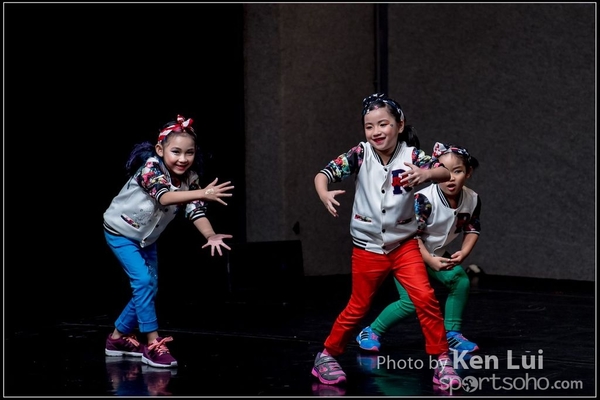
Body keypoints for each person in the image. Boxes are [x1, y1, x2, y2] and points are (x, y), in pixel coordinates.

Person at [311, 93, 461, 389]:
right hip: (367, 248)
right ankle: (326, 356)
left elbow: (444, 171)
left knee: (425, 298)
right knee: (358, 306)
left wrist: (426, 174)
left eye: (383, 124)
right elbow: (322, 174)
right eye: (369, 126)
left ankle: (442, 361)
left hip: (404, 245)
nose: (376, 131)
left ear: (400, 125)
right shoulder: (360, 153)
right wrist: (324, 193)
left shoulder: (412, 155)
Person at [103, 114, 234, 368]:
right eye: (176, 152)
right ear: (160, 150)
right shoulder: (151, 168)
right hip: (120, 232)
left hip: (147, 239)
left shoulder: (190, 179)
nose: (183, 159)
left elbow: (195, 209)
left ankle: (117, 339)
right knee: (143, 282)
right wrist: (204, 192)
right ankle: (152, 344)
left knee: (150, 287)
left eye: (189, 153)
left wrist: (210, 234)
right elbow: (163, 197)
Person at [357, 143, 481, 355]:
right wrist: (429, 261)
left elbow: (472, 227)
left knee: (459, 281)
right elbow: (411, 236)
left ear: (468, 173)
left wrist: (464, 251)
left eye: (457, 171)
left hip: (433, 252)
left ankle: (451, 334)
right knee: (411, 301)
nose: (450, 178)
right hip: (404, 252)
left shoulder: (472, 199)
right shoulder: (424, 200)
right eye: (444, 171)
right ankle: (371, 331)